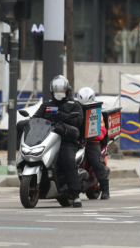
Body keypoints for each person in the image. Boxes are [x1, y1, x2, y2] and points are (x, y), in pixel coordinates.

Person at [32, 75, 84, 207]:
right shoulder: (46, 105)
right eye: (56, 90)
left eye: (61, 90)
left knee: (67, 161)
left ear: (67, 91)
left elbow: (78, 121)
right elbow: (35, 118)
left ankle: (76, 195)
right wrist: (26, 123)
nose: (59, 93)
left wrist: (64, 117)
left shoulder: (74, 105)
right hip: (45, 140)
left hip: (66, 141)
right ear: (52, 91)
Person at [77, 87, 110, 200]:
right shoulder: (74, 109)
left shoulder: (97, 112)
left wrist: (91, 135)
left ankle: (105, 189)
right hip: (76, 141)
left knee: (96, 162)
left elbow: (102, 130)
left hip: (92, 142)